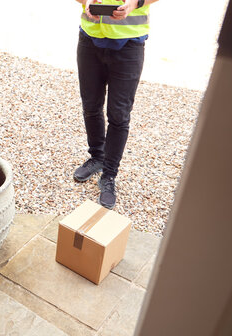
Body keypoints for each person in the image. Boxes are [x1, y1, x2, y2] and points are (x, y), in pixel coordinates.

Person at [73, 0, 158, 209]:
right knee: (91, 106)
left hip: (129, 45)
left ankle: (109, 175)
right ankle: (97, 157)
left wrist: (134, 4)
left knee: (119, 115)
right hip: (89, 40)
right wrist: (86, 2)